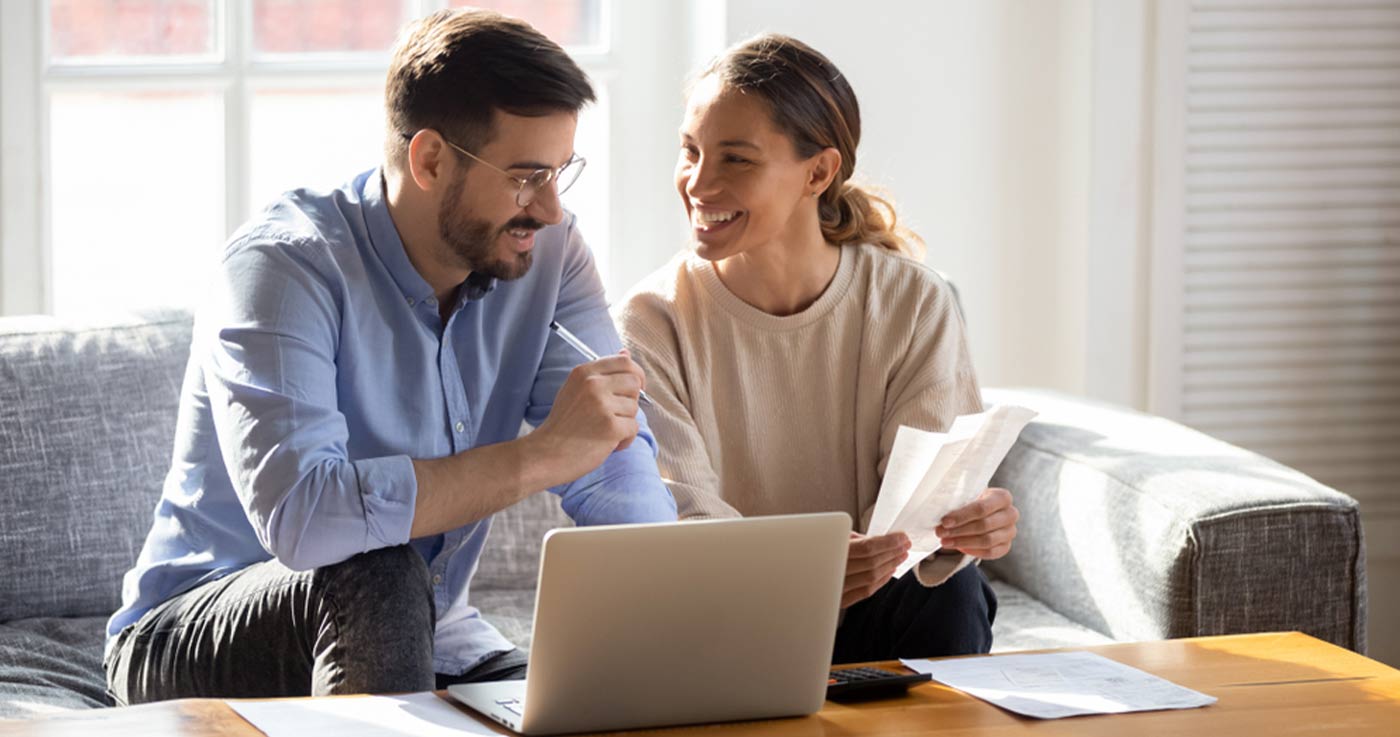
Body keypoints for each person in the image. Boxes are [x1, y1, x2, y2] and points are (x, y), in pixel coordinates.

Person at [104, 8, 675, 704]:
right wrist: (539, 456)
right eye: (527, 176)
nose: (551, 208)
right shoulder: (283, 269)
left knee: (596, 704)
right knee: (377, 568)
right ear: (430, 159)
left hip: (433, 632)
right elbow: (306, 518)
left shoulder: (549, 253)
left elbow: (612, 452)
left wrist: (673, 610)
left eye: (561, 172)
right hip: (193, 627)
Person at [614, 34, 1018, 662]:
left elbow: (922, 515)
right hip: (728, 618)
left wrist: (965, 529)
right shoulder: (651, 320)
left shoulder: (913, 301)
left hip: (878, 604)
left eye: (735, 160)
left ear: (819, 172)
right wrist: (807, 572)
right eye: (689, 151)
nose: (698, 182)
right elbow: (682, 522)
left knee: (951, 592)